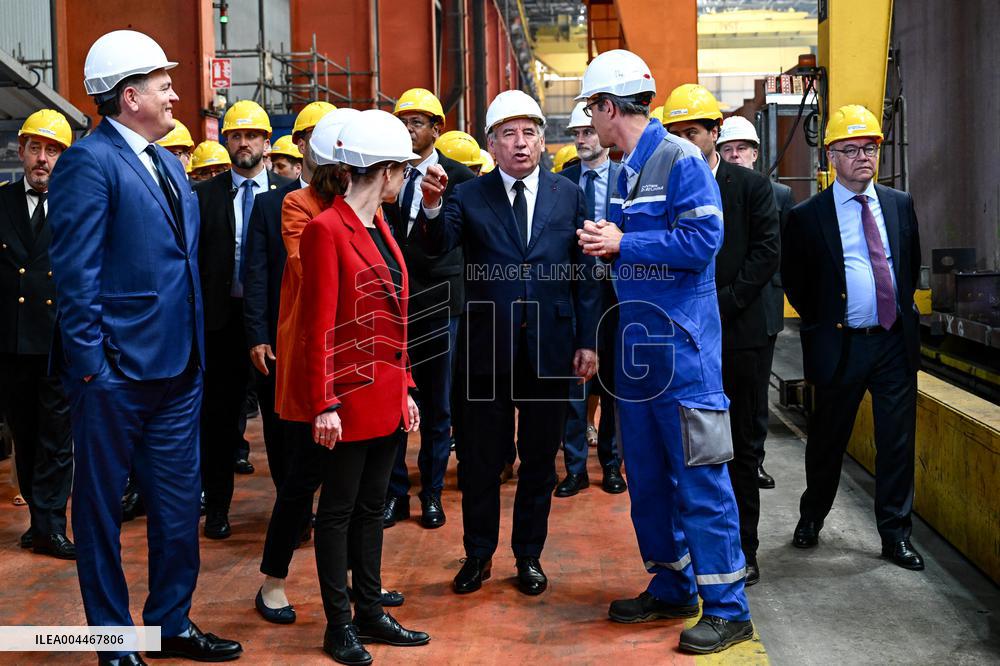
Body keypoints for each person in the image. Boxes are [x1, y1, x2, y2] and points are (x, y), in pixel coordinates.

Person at [47, 29, 241, 664]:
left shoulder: (167, 164)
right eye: (164, 85)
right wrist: (92, 369)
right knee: (101, 512)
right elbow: (75, 275)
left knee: (179, 506)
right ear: (130, 96)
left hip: (178, 371)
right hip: (115, 375)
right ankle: (114, 640)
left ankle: (169, 625)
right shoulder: (89, 163)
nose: (175, 94)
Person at [576, 49, 753, 654]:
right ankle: (672, 584)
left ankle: (727, 608)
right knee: (648, 479)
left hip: (684, 353)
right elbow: (632, 251)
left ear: (608, 107)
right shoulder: (625, 170)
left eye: (592, 109)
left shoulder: (679, 159)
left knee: (701, 480)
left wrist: (624, 241)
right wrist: (609, 246)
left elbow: (704, 240)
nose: (590, 121)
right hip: (641, 352)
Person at [418, 89, 600, 596]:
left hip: (550, 347)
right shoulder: (469, 195)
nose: (520, 143)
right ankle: (478, 554)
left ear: (542, 141)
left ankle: (528, 556)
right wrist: (431, 207)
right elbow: (436, 245)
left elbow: (586, 273)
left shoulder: (569, 194)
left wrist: (587, 340)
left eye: (529, 133)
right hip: (485, 349)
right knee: (480, 460)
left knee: (539, 460)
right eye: (508, 134)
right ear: (492, 145)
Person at [298, 109, 430, 665]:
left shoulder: (379, 227)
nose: (404, 178)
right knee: (337, 511)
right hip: (347, 400)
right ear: (386, 170)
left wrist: (406, 388)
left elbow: (393, 319)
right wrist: (324, 402)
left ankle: (370, 610)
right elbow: (318, 326)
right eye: (403, 169)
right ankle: (339, 624)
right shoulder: (326, 230)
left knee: (372, 506)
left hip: (385, 395)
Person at [782, 105, 924, 571]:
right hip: (841, 346)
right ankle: (812, 516)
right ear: (831, 156)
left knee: (896, 443)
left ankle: (895, 535)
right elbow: (796, 283)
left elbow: (907, 267)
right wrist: (828, 323)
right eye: (852, 149)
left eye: (870, 148)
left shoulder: (899, 205)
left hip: (892, 343)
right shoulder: (808, 216)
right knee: (828, 439)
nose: (863, 157)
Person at [663, 84, 779, 587]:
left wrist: (721, 304)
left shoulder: (750, 188)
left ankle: (743, 550)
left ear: (715, 132)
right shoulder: (664, 187)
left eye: (693, 132)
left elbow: (765, 253)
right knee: (690, 449)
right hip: (684, 339)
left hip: (740, 335)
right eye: (675, 134)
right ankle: (693, 552)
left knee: (742, 448)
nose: (684, 143)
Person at [194, 100, 292, 539]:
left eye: (252, 135)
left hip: (274, 323)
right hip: (222, 323)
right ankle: (217, 508)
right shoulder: (203, 196)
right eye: (236, 136)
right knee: (218, 421)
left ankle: (290, 511)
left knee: (281, 420)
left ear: (267, 143)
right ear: (226, 142)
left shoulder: (289, 196)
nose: (244, 143)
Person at [383, 88, 476, 530]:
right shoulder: (385, 171)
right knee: (392, 401)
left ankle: (432, 493)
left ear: (436, 129)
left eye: (416, 122)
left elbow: (458, 240)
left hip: (439, 303)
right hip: (390, 303)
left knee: (438, 405)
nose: (408, 129)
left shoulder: (460, 178)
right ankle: (395, 493)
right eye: (402, 122)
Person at [244, 100, 333, 492]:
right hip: (284, 338)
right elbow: (257, 273)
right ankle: (292, 506)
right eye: (317, 137)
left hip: (334, 337)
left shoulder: (352, 200)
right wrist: (258, 335)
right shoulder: (272, 203)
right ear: (300, 144)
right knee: (284, 432)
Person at [0, 109, 75, 560]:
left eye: (52, 150)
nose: (42, 159)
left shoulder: (78, 205)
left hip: (59, 340)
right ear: (21, 151)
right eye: (35, 148)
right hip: (11, 342)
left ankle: (51, 524)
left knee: (57, 439)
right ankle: (38, 521)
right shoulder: (2, 201)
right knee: (25, 437)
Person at [717, 115, 796, 490]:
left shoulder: (779, 195)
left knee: (756, 394)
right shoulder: (712, 191)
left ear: (755, 153)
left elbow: (783, 252)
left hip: (762, 309)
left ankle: (755, 460)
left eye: (742, 149)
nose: (735, 155)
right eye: (728, 149)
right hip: (728, 304)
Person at [553, 101, 626, 498]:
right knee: (575, 384)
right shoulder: (560, 183)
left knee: (613, 382)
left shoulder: (626, 178)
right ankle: (575, 468)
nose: (581, 139)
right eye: (576, 133)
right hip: (573, 294)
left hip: (616, 294)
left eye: (587, 131)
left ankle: (611, 464)